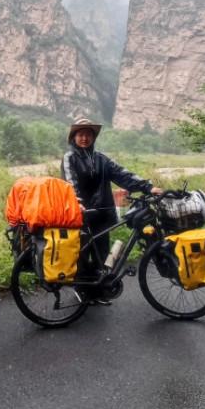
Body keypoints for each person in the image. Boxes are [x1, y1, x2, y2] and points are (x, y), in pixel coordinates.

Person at [60, 118, 162, 303]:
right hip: (81, 213)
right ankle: (82, 290)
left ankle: (99, 290)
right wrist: (77, 202)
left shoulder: (101, 159)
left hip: (102, 212)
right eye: (80, 134)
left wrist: (147, 187)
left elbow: (122, 174)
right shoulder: (70, 158)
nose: (84, 138)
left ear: (93, 137)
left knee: (102, 252)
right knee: (82, 252)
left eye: (88, 134)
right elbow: (70, 184)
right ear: (74, 137)